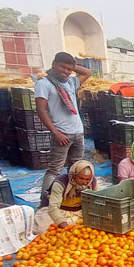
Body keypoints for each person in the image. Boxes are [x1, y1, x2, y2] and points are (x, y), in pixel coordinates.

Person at [37, 51, 92, 197]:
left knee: (76, 168)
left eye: (70, 69)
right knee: (55, 169)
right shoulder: (45, 84)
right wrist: (56, 132)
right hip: (62, 133)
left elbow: (88, 72)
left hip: (77, 132)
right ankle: (45, 199)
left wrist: (71, 68)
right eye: (63, 67)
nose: (66, 72)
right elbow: (41, 111)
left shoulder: (70, 82)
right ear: (54, 64)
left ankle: (71, 196)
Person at [36, 160, 98, 234]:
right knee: (42, 230)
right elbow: (53, 208)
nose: (84, 182)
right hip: (57, 210)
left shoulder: (92, 183)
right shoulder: (60, 182)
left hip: (77, 212)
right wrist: (67, 227)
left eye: (87, 179)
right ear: (74, 175)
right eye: (81, 178)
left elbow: (95, 203)